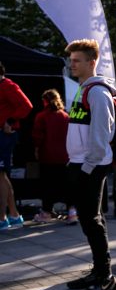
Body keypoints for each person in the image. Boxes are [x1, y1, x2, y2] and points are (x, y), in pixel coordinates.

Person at [63, 39, 116, 290]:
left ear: (91, 62)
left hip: (90, 166)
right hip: (82, 163)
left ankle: (106, 279)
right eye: (71, 60)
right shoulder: (83, 89)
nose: (71, 64)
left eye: (77, 60)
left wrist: (84, 167)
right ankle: (99, 271)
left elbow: (101, 135)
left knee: (92, 221)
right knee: (90, 219)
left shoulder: (96, 92)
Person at [0, 61, 32, 231]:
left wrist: (10, 122)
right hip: (3, 135)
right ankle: (13, 214)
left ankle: (3, 218)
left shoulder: (7, 85)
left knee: (0, 175)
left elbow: (27, 106)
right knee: (2, 176)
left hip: (3, 136)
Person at [31, 89, 70, 223]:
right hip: (65, 156)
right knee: (66, 184)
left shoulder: (41, 116)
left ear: (45, 101)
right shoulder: (66, 116)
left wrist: (36, 150)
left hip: (48, 156)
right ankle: (72, 212)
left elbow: (38, 136)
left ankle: (46, 212)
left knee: (48, 185)